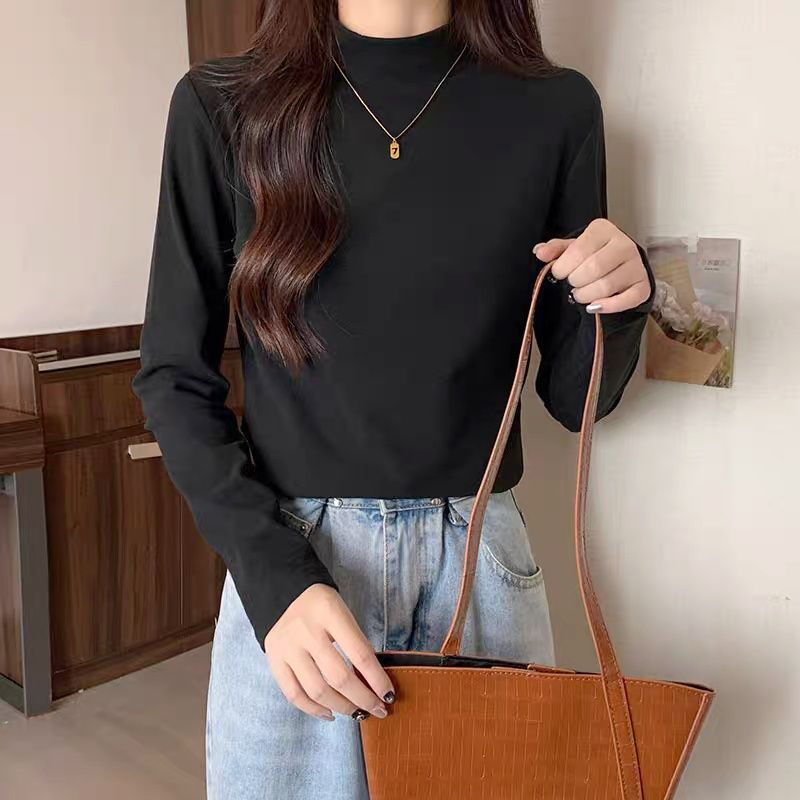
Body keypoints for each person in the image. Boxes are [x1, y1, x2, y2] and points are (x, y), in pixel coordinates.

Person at [132, 1, 655, 797]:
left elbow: (575, 399)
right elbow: (174, 374)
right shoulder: (223, 105)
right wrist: (275, 580)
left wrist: (618, 301)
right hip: (296, 562)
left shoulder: (555, 109)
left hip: (480, 564)